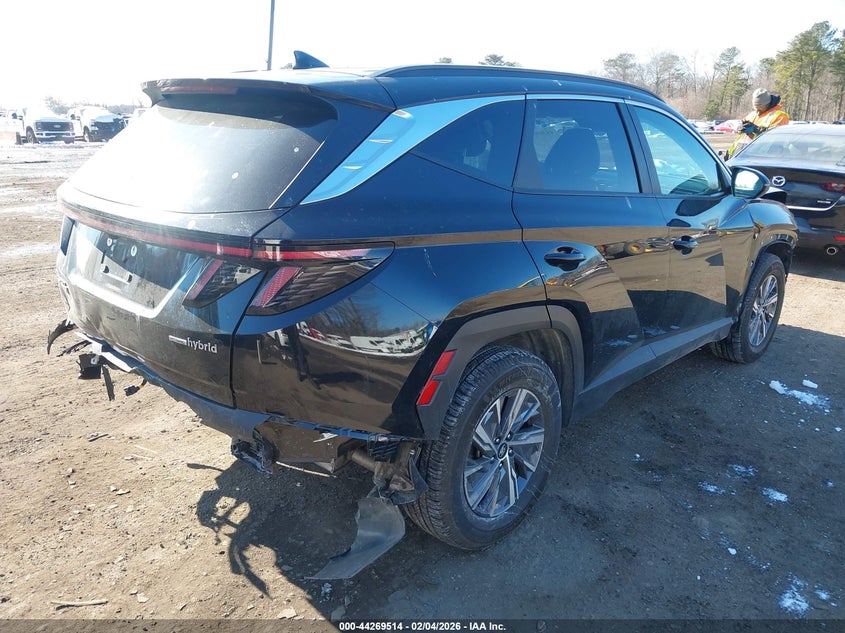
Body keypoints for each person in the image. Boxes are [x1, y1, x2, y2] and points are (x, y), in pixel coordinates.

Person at [725, 88, 790, 159]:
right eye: (755, 108)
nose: (757, 111)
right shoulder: (753, 114)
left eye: (760, 108)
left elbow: (774, 138)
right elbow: (741, 134)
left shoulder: (780, 116)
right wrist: (740, 128)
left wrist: (756, 129)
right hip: (738, 156)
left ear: (767, 104)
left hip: (760, 159)